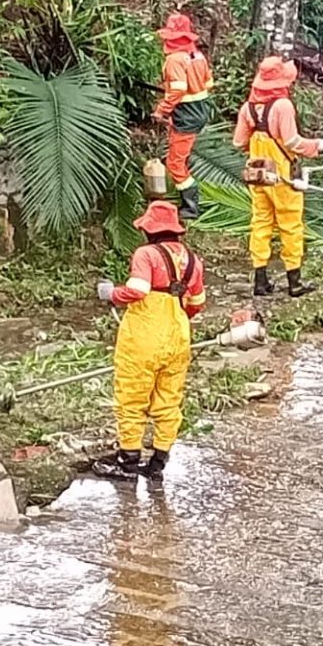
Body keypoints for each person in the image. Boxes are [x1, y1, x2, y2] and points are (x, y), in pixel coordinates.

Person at [95, 201, 207, 481]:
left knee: (132, 397)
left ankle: (129, 459)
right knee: (169, 399)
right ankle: (158, 460)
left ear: (148, 230)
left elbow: (138, 290)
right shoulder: (193, 259)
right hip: (178, 336)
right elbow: (197, 302)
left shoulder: (146, 254)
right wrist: (176, 317)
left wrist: (111, 294)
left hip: (144, 337)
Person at [233, 55, 323, 297]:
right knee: (290, 223)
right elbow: (292, 141)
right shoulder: (282, 106)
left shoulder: (248, 108)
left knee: (260, 223)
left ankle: (260, 281)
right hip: (282, 174)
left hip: (257, 173)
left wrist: (259, 143)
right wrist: (320, 145)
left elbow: (239, 141)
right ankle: (294, 282)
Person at [153, 13, 213, 222]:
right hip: (199, 111)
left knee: (175, 164)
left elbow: (178, 90)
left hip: (185, 115)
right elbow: (208, 84)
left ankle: (190, 206)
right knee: (180, 154)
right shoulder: (198, 56)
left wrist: (162, 109)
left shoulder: (174, 60)